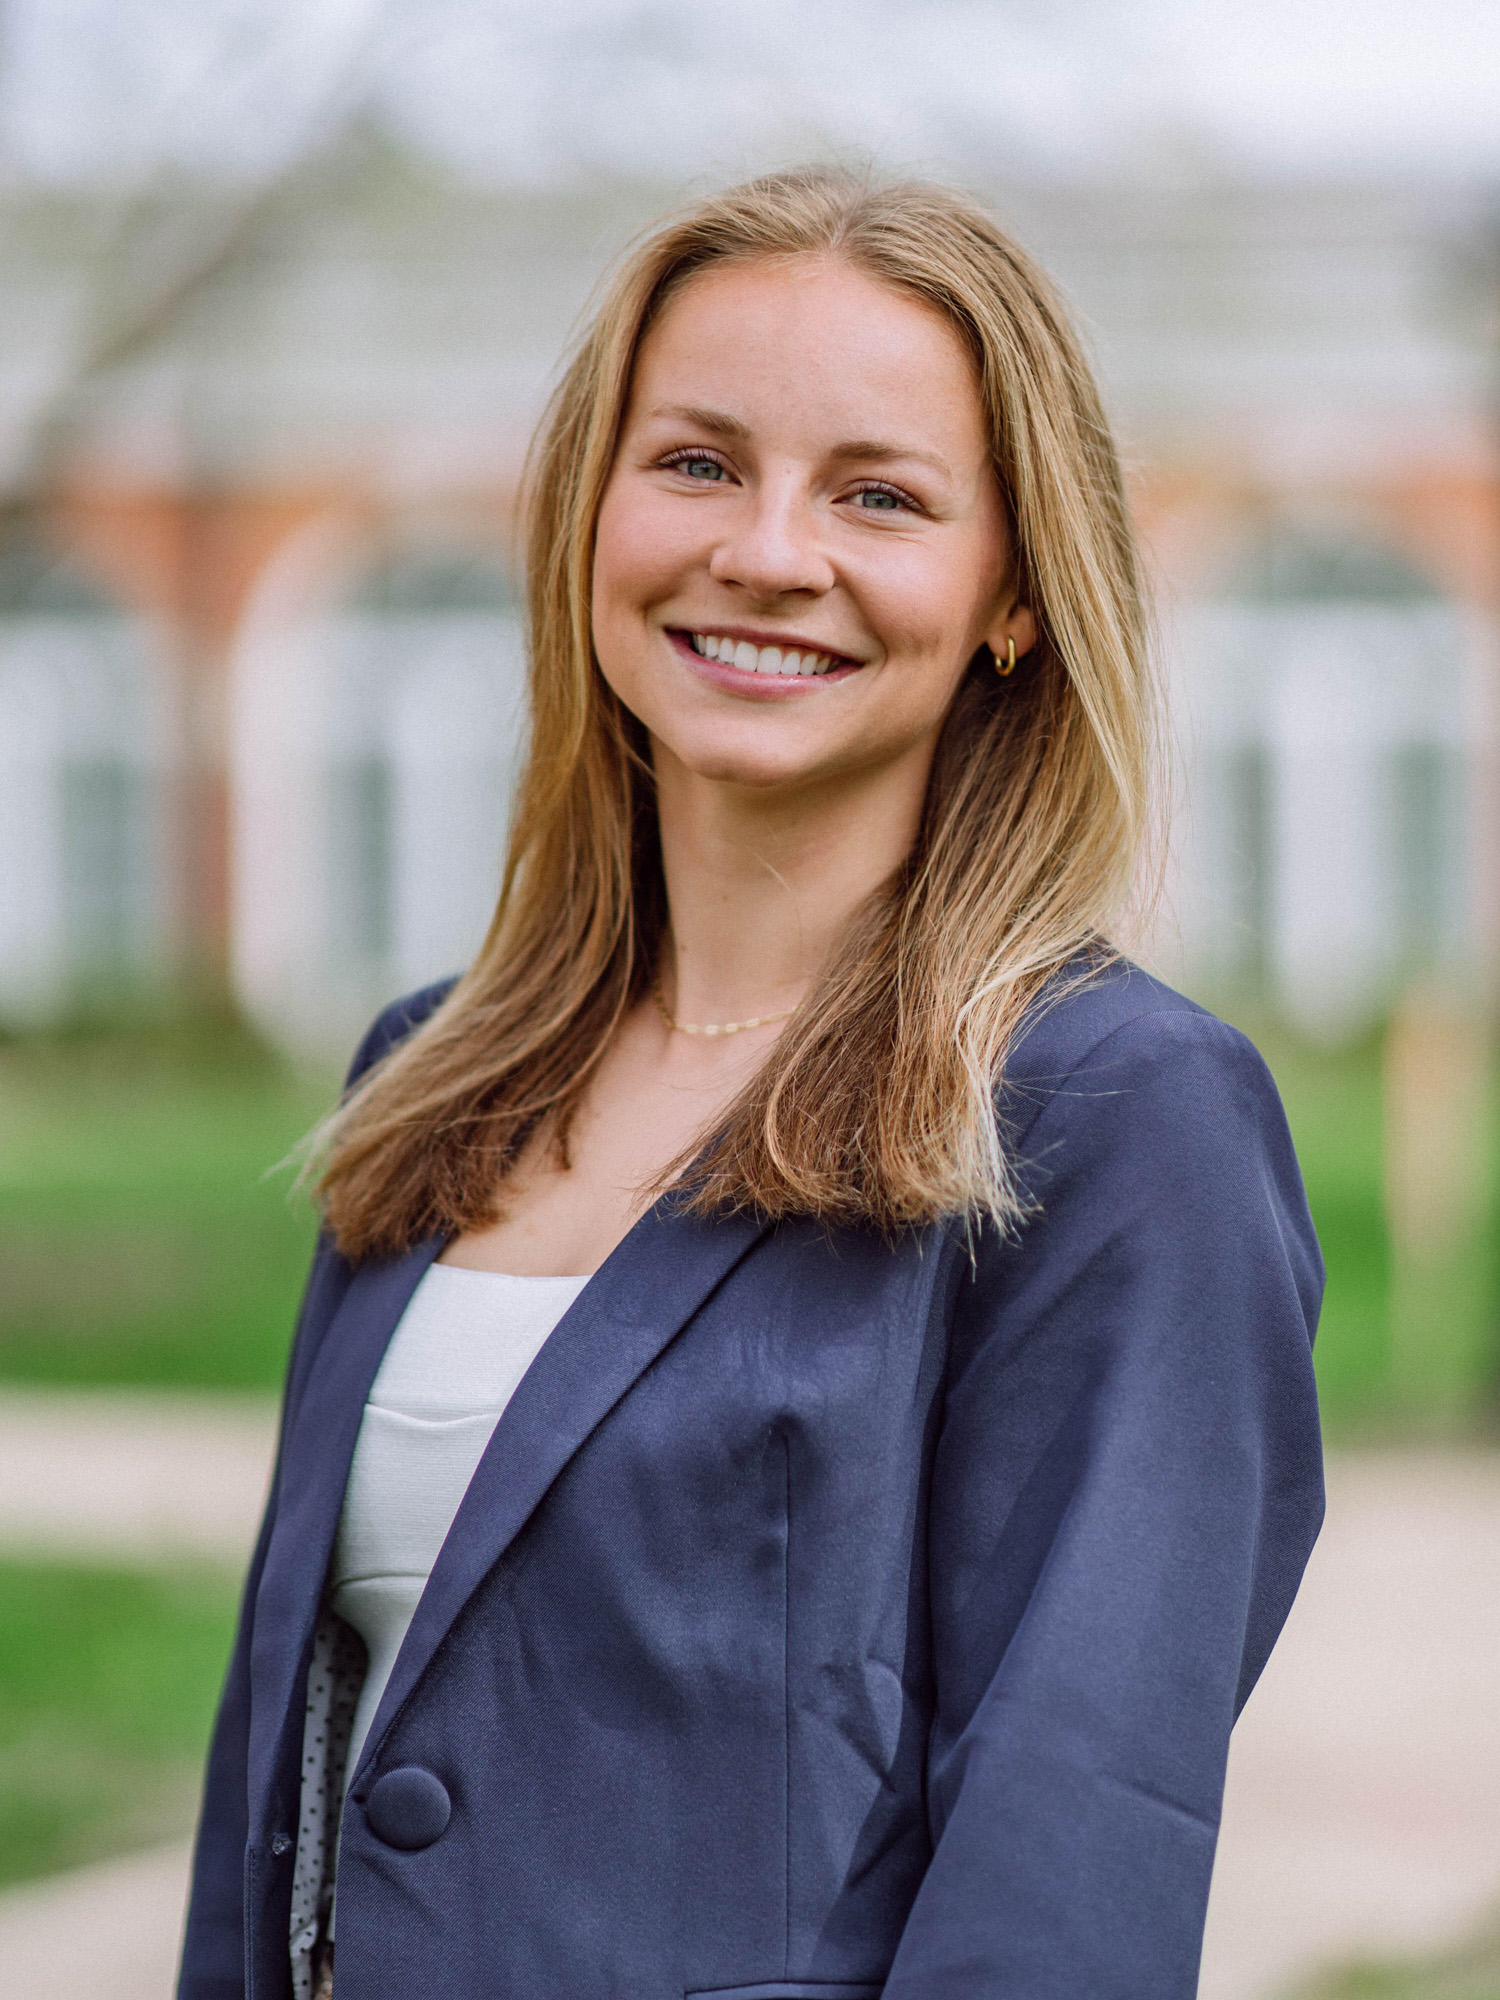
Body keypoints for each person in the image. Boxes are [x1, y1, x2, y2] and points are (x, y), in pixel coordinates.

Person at [178, 166, 1323, 2000]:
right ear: (590, 512)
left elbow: (1073, 1851)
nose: (769, 551)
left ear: (1013, 591)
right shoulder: (433, 1075)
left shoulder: (1117, 1118)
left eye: (879, 494)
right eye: (699, 463)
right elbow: (280, 1777)